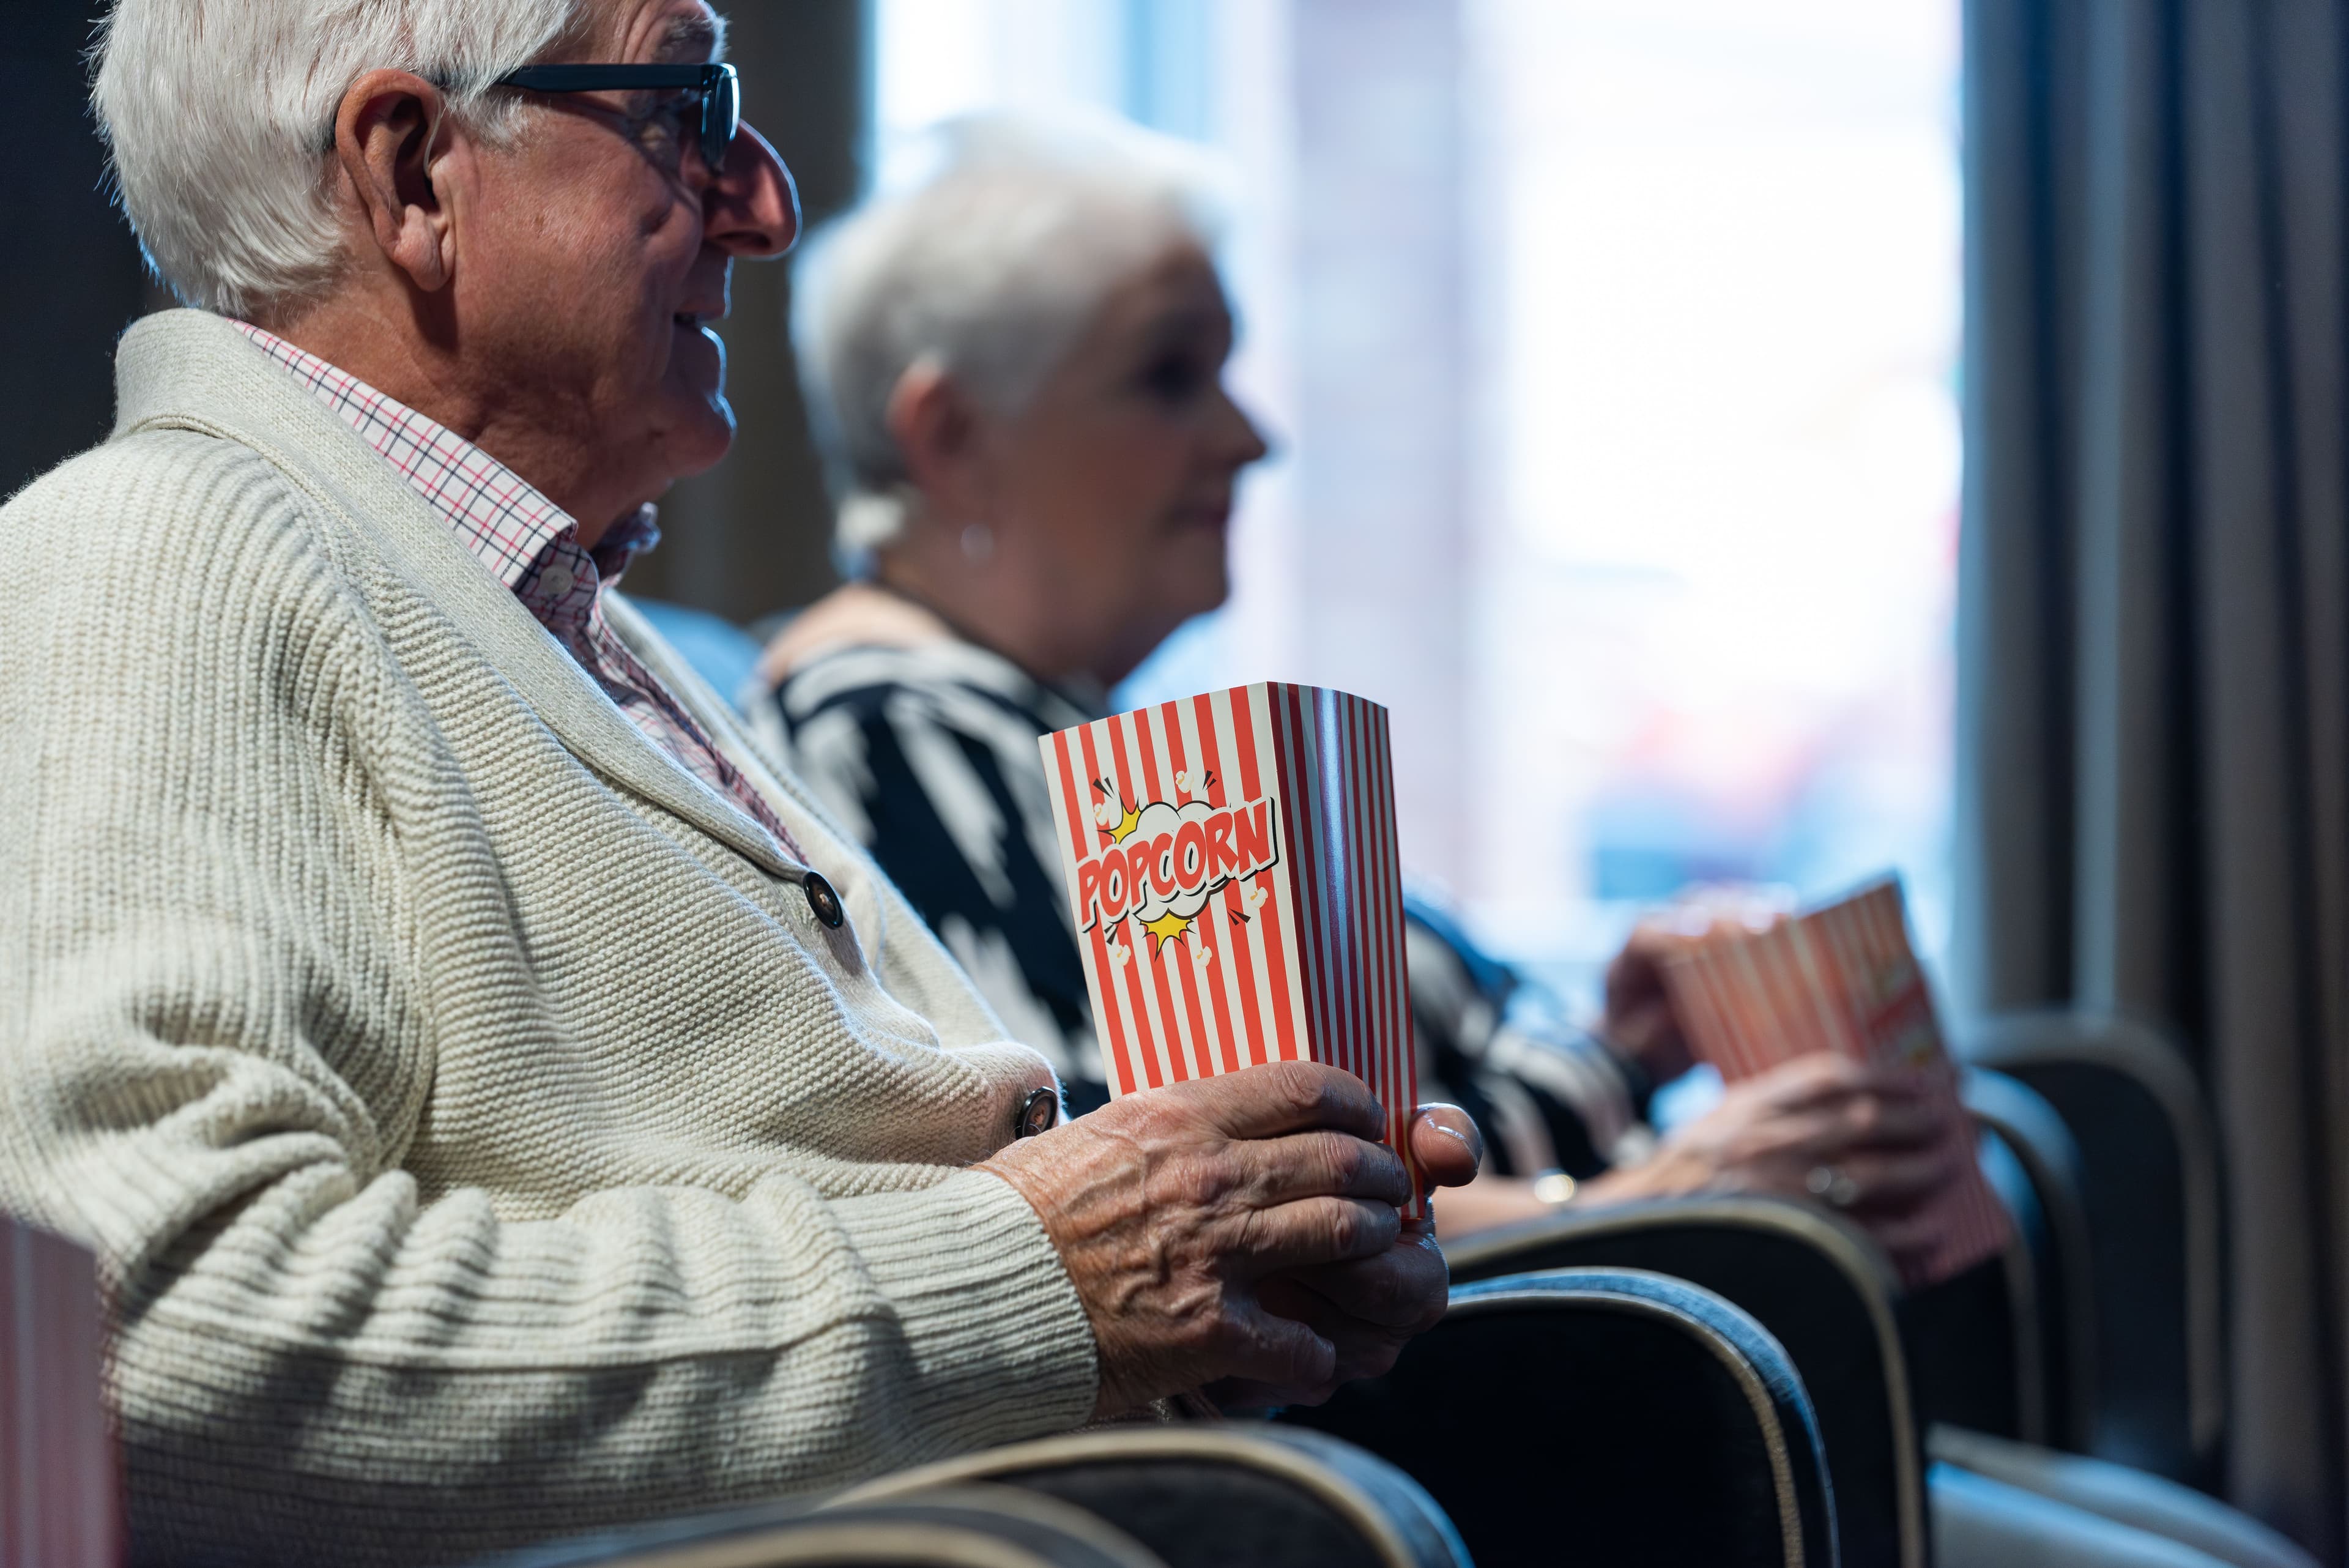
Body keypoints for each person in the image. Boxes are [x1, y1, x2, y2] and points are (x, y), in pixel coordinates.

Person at [0, 8, 1483, 1564]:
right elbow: (154, 1320)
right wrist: (1038, 1275)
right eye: (687, 107)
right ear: (415, 174)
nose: (769, 203)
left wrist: (1241, 1281)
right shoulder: (153, 551)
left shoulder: (565, 617)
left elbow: (941, 1252)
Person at [760, 114, 2315, 1568]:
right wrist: (1641, 1199)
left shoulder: (1070, 734)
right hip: (1450, 1443)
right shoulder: (896, 742)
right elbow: (1184, 1204)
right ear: (951, 436)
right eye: (1174, 377)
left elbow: (1383, 1119)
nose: (1251, 435)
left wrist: (1625, 1055)